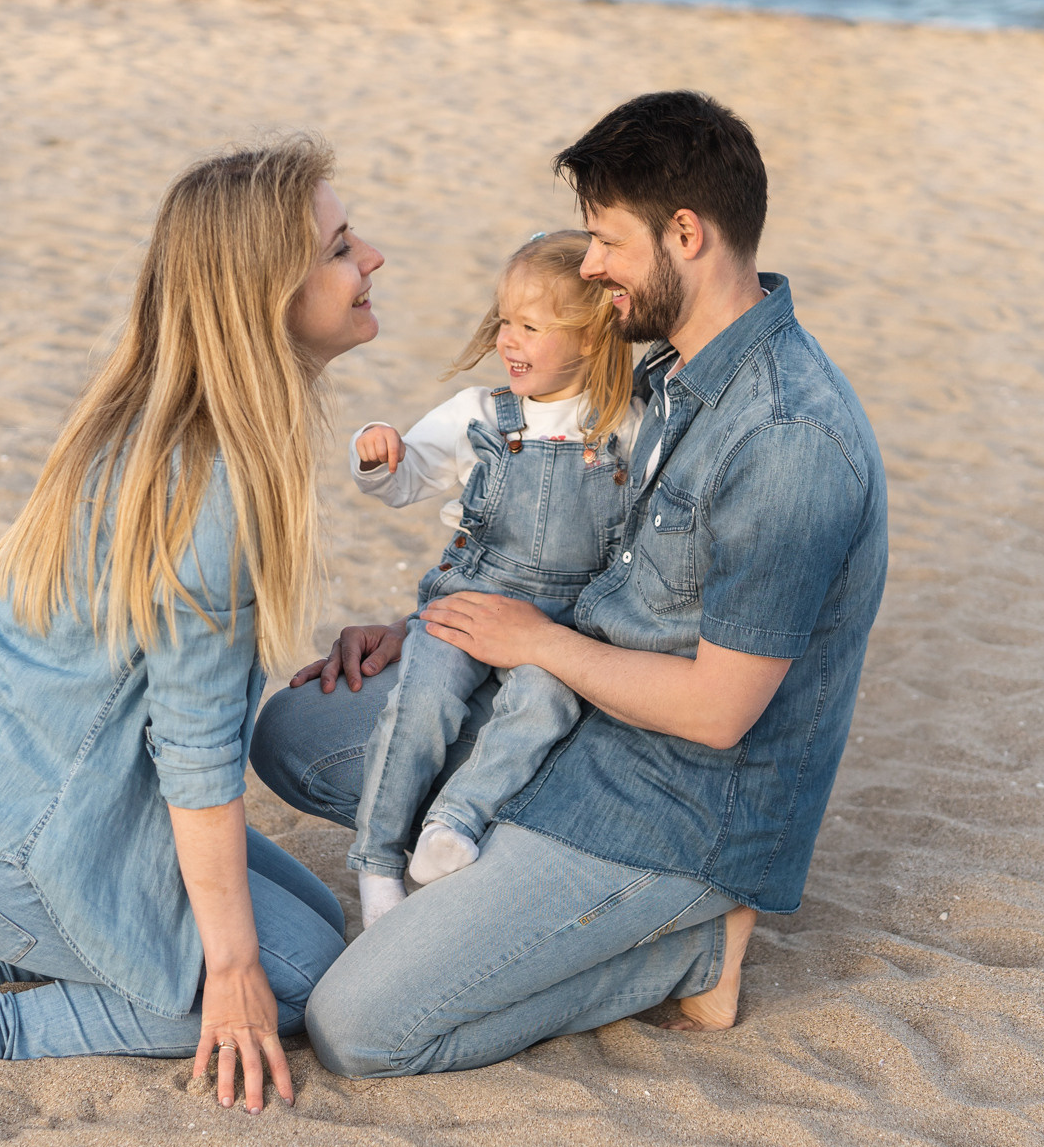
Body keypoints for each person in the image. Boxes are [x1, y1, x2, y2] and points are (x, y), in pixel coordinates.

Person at [251, 91, 888, 1076]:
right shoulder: (671, 372)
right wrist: (450, 623)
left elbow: (720, 714)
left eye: (603, 242)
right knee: (297, 732)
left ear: (686, 234)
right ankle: (507, 874)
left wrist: (535, 643)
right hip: (571, 713)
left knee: (356, 1026)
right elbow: (573, 546)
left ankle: (682, 948)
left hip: (668, 805)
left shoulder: (783, 439)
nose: (586, 266)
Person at [0, 137, 384, 1113]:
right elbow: (196, 752)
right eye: (337, 247)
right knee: (280, 980)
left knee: (309, 915)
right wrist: (233, 973)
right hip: (15, 836)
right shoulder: (213, 485)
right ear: (264, 296)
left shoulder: (142, 420)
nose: (368, 256)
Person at [343, 230, 641, 928]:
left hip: (559, 627)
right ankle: (379, 859)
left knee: (545, 706)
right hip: (469, 601)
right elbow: (410, 476)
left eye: (530, 327)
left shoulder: (623, 424)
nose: (508, 339)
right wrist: (382, 458)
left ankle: (453, 820)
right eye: (505, 320)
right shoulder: (480, 413)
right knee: (423, 704)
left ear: (593, 340)